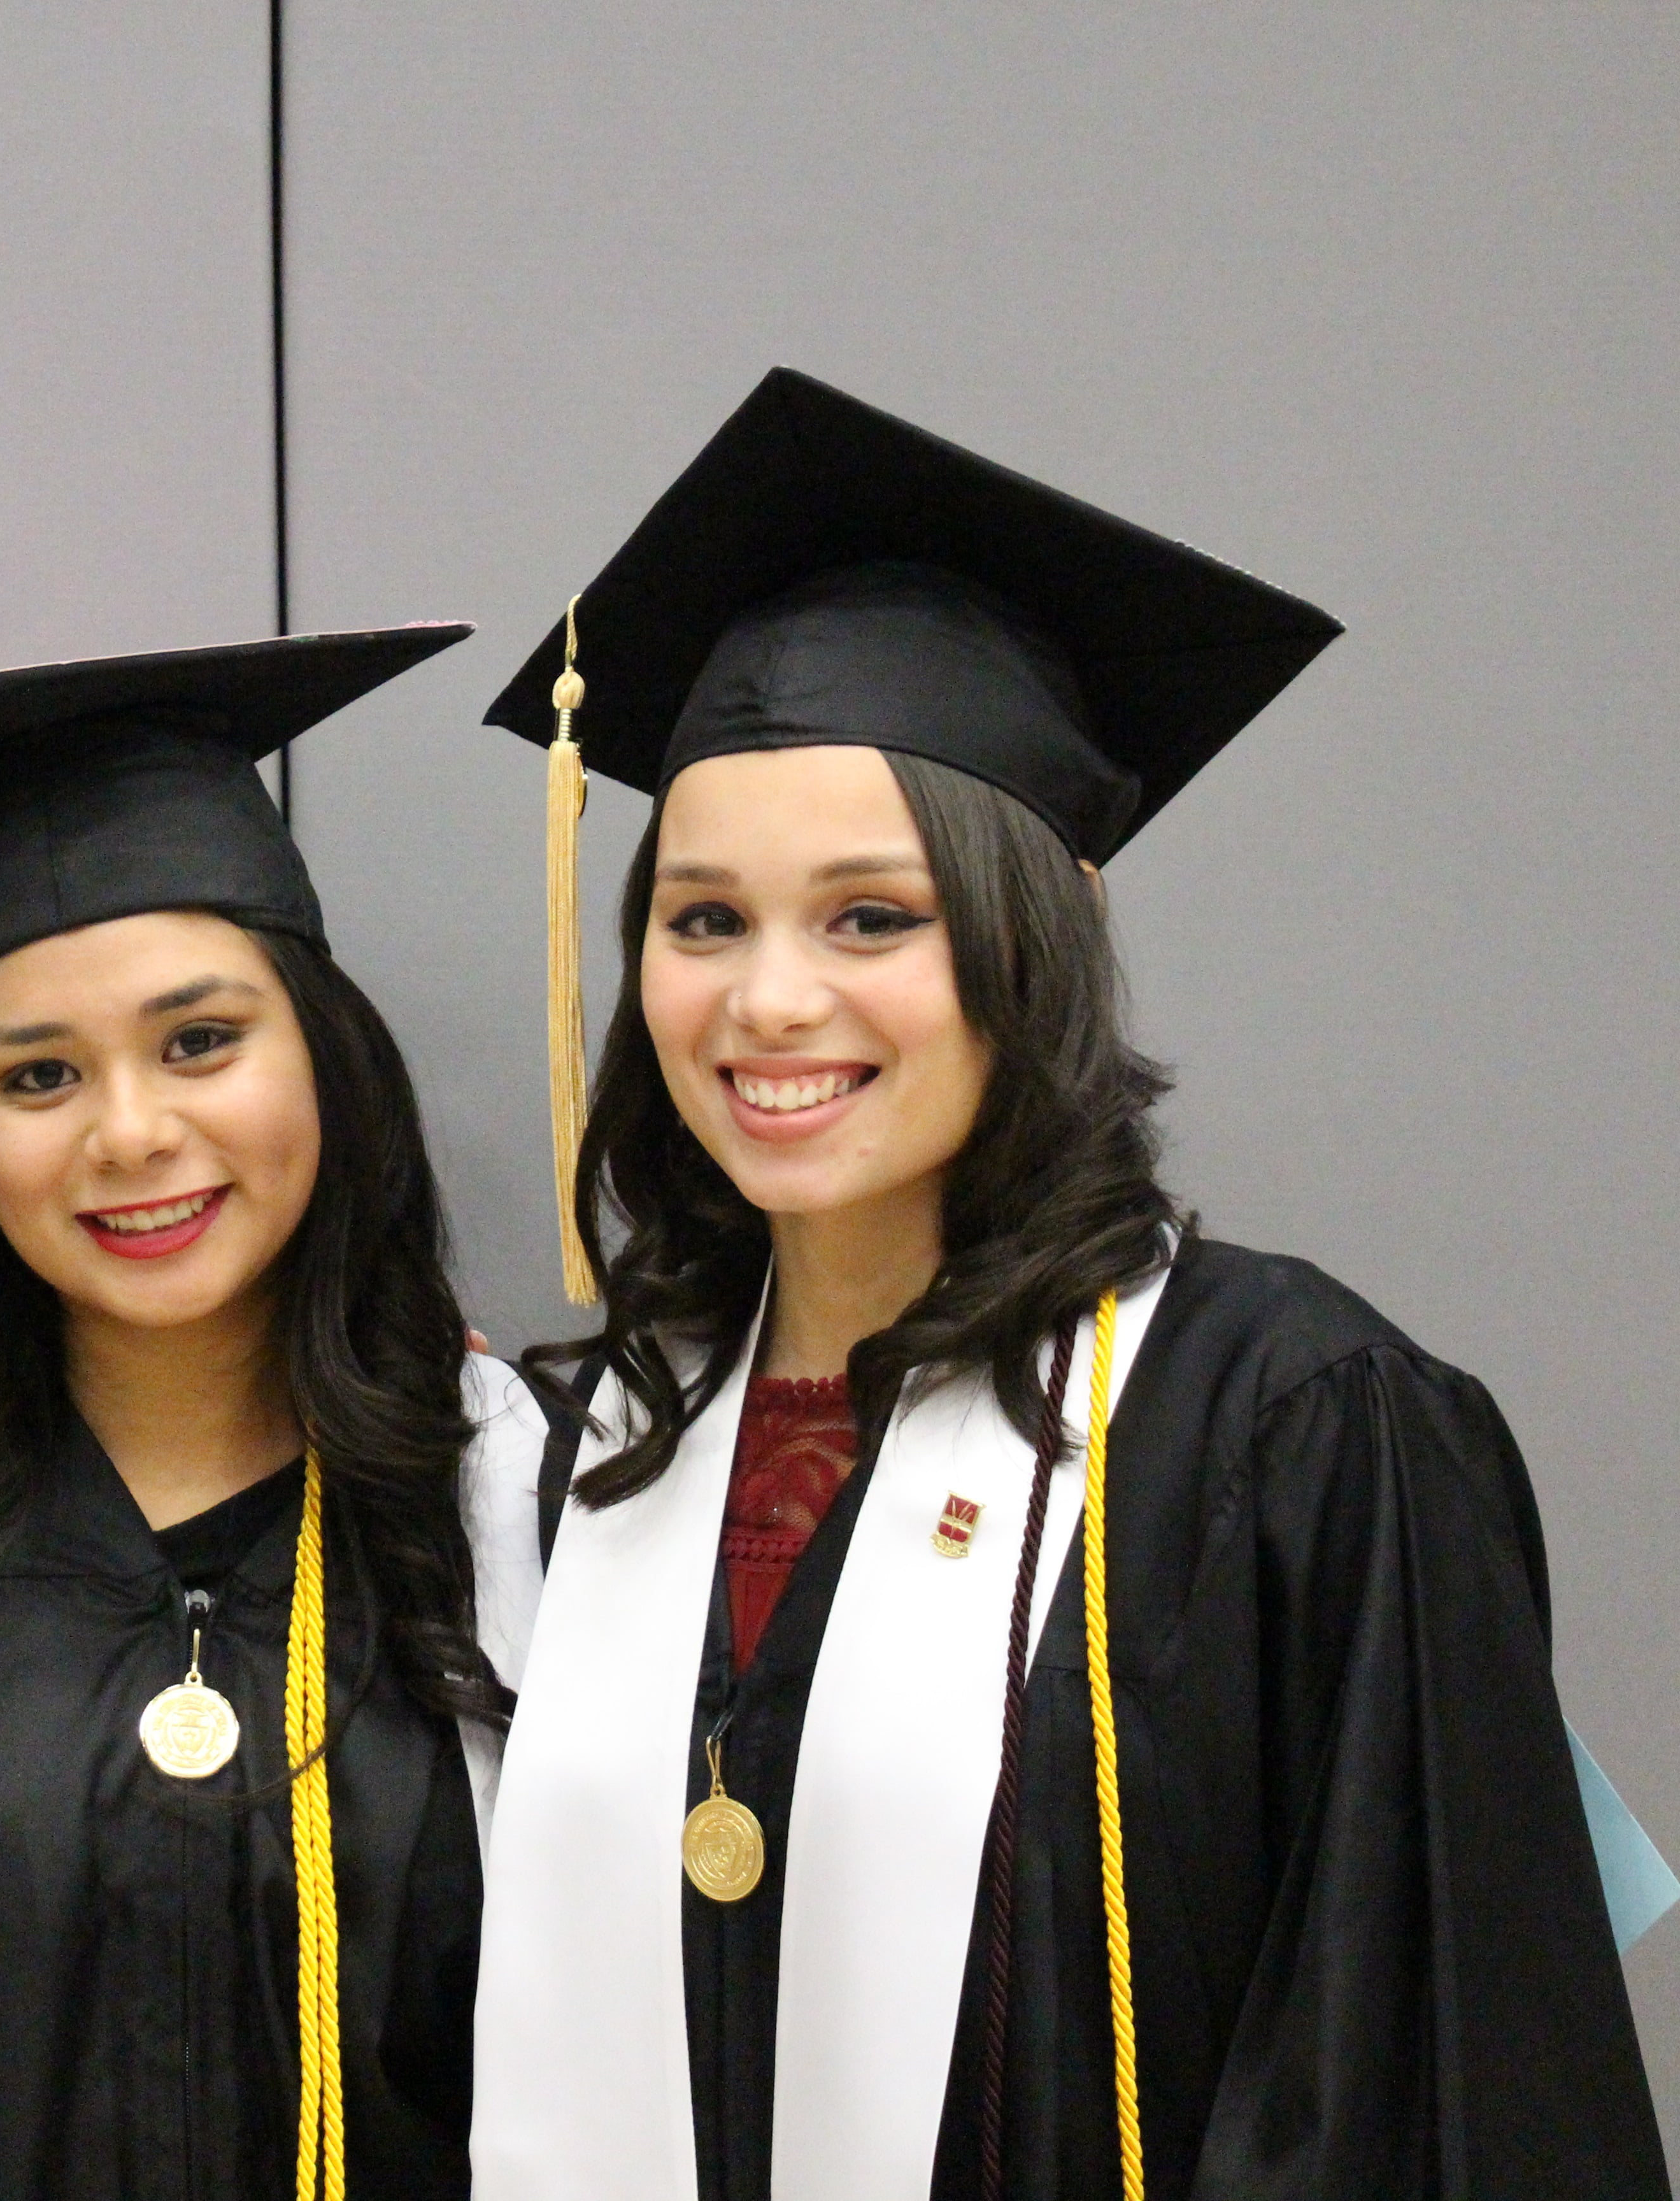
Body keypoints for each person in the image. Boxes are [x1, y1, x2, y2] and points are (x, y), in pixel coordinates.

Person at [463, 366, 1668, 2201]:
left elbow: (1426, 2075)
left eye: (872, 917)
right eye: (703, 920)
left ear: (1042, 928)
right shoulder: (579, 1454)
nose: (770, 1000)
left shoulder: (1287, 1426)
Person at [0, 629, 554, 2201]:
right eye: (36, 1077)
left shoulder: (524, 1504)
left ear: (322, 1048)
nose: (130, 1131)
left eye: (200, 1041)